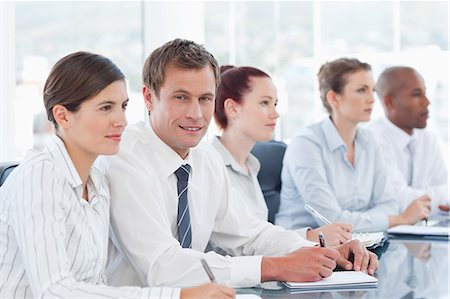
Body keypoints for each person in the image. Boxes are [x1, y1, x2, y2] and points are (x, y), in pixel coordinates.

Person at [101, 39, 378, 289]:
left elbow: (250, 234)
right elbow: (162, 267)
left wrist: (320, 252)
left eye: (205, 99)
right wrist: (276, 266)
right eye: (181, 97)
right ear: (149, 97)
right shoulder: (123, 158)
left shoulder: (204, 158)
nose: (196, 114)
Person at [0, 51, 234, 299]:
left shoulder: (97, 181)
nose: (121, 121)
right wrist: (179, 296)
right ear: (63, 115)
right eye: (105, 108)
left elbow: (97, 284)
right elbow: (55, 291)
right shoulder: (39, 176)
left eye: (123, 106)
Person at [275, 58, 429, 233]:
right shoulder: (306, 145)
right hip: (304, 249)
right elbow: (332, 221)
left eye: (372, 90)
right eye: (361, 90)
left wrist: (379, 220)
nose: (371, 99)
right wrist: (399, 220)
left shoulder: (369, 140)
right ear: (333, 98)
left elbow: (389, 203)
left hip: (360, 242)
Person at [212, 65, 352, 245]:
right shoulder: (209, 165)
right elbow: (236, 246)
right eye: (264, 103)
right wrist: (310, 236)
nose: (275, 114)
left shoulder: (250, 166)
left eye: (275, 104)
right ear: (232, 108)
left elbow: (260, 237)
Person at [367, 66, 448, 214]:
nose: (427, 101)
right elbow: (399, 201)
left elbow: (446, 190)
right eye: (417, 94)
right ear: (390, 102)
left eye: (425, 93)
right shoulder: (372, 139)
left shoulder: (429, 139)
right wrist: (439, 198)